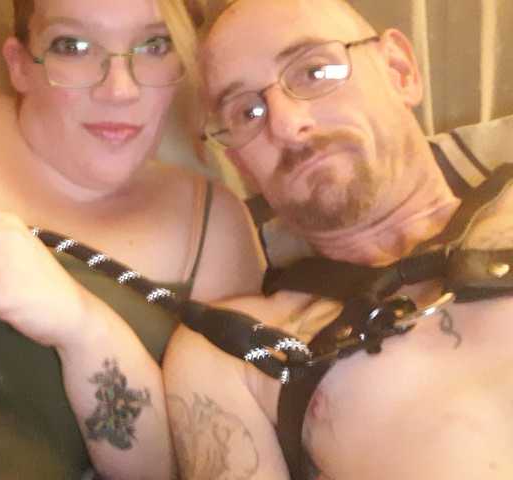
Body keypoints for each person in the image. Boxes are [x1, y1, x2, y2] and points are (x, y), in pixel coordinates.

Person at [0, 0, 264, 478]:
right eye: (74, 46)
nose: (119, 90)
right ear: (19, 63)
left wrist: (83, 327)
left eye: (154, 45)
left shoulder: (215, 230)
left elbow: (191, 467)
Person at [164, 0, 513, 478]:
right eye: (247, 111)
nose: (287, 125)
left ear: (400, 71)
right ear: (241, 164)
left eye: (314, 71)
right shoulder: (229, 353)